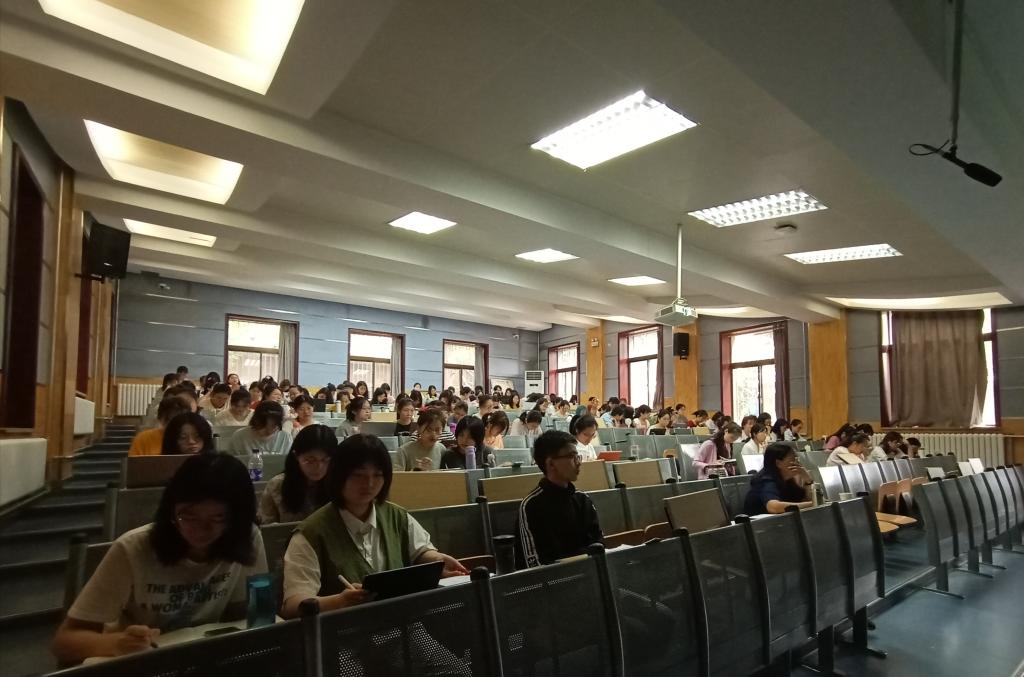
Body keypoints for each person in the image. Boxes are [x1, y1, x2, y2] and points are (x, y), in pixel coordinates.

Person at [52, 454, 266, 664]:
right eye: (188, 516)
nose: (201, 529)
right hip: (143, 661)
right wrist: (117, 643)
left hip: (204, 658)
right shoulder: (133, 549)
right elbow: (65, 641)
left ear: (238, 518)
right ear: (171, 510)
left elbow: (257, 614)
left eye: (218, 518)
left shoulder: (247, 537)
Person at [281, 434, 468, 619]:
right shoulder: (311, 534)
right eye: (359, 475)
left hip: (400, 624)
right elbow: (293, 604)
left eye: (378, 475)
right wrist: (339, 602)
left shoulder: (396, 516)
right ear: (338, 476)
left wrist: (436, 561)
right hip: (342, 633)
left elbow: (420, 551)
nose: (369, 484)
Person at [515, 431, 603, 568]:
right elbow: (533, 563)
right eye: (572, 457)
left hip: (589, 573)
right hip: (553, 578)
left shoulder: (582, 499)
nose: (578, 462)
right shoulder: (531, 506)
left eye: (578, 456)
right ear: (551, 464)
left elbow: (598, 545)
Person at [259, 425, 333, 524]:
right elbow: (267, 527)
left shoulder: (340, 484)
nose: (319, 467)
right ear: (296, 456)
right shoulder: (277, 485)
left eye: (326, 460)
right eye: (310, 460)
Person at [743, 443, 815, 515]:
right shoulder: (766, 480)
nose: (797, 463)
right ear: (778, 463)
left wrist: (807, 479)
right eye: (793, 459)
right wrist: (812, 504)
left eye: (797, 459)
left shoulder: (787, 480)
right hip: (762, 521)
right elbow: (773, 507)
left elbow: (806, 499)